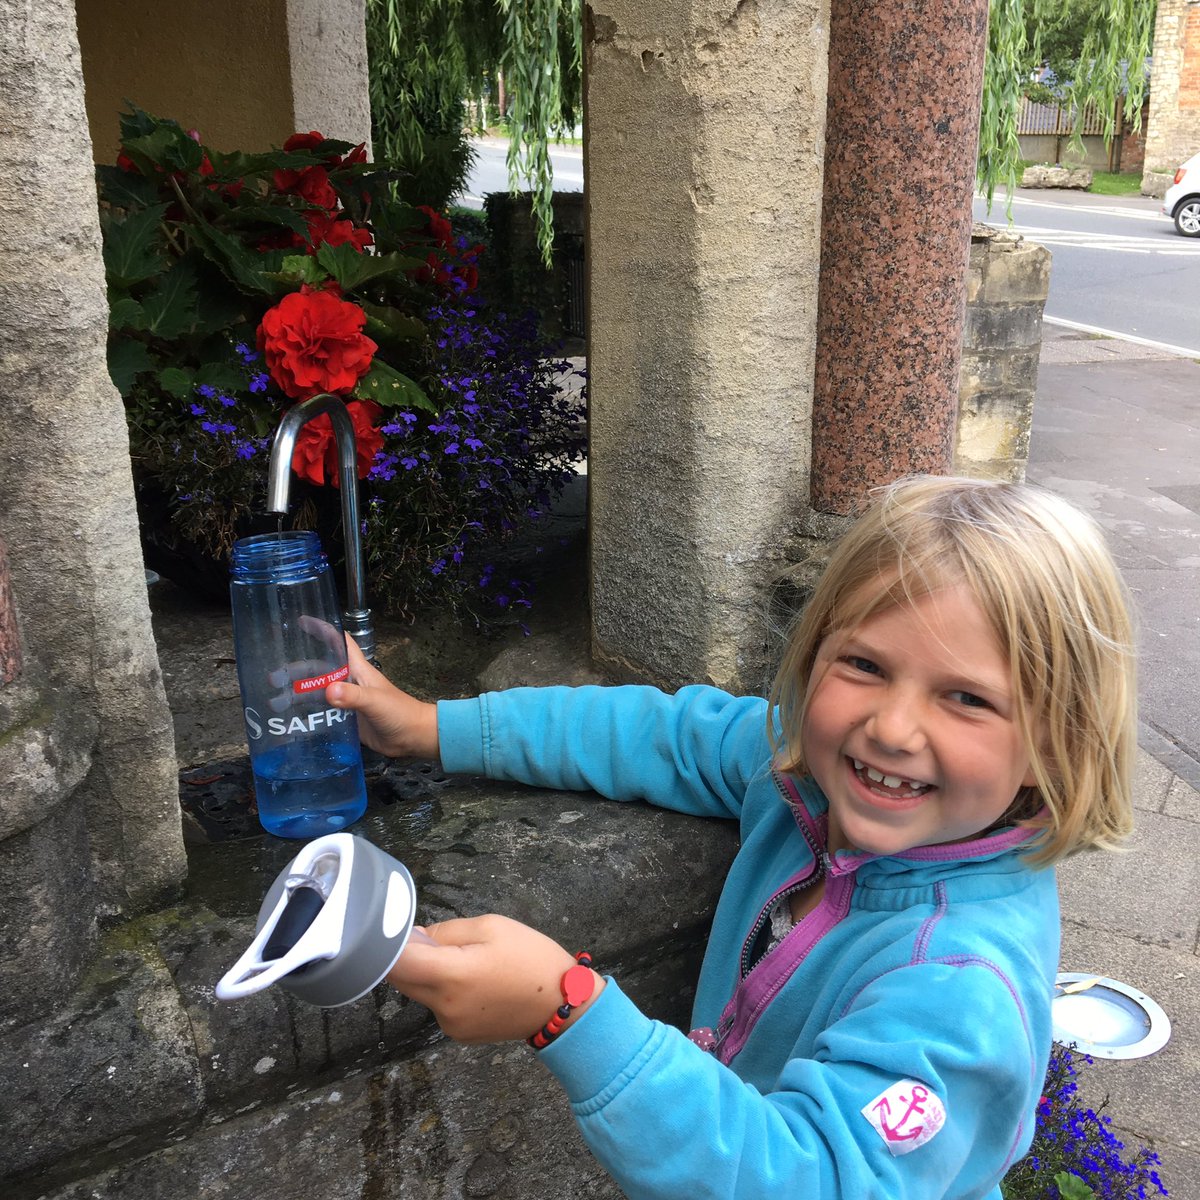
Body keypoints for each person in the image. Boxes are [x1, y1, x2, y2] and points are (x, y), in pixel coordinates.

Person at [326, 475, 1137, 1200]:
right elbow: (660, 734)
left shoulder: (956, 986)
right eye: (863, 665)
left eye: (965, 698)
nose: (890, 727)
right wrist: (432, 727)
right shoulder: (805, 777)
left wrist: (569, 1012)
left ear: (1056, 742)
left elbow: (809, 1177)